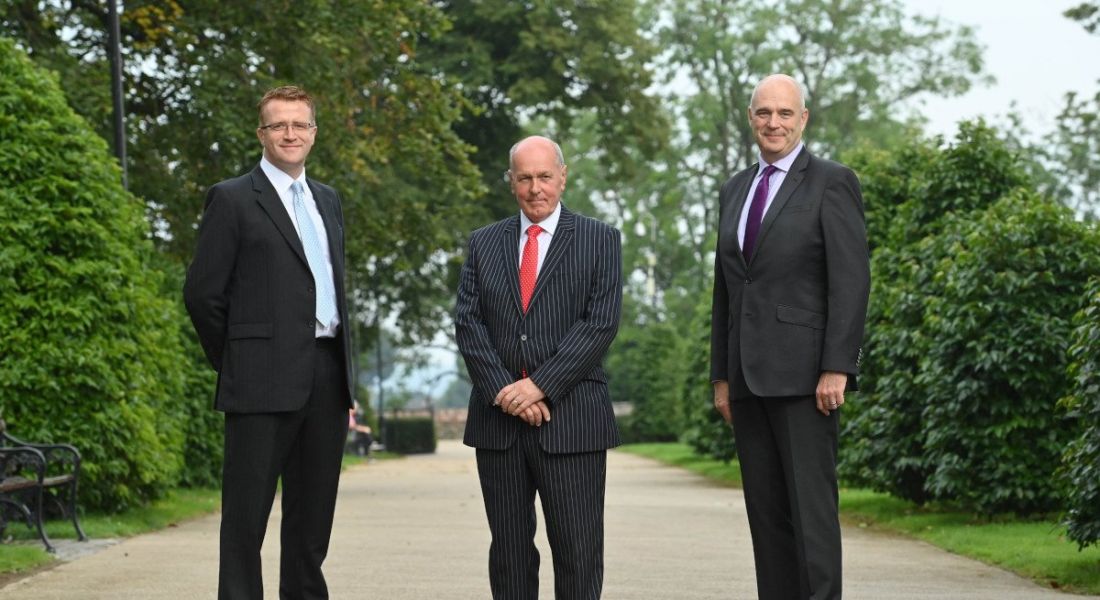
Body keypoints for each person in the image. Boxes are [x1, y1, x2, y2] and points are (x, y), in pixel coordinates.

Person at [184, 85, 355, 600]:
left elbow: (331, 287)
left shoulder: (328, 200)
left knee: (311, 522)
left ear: (314, 133)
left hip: (326, 376)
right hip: (258, 381)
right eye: (279, 125)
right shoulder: (233, 197)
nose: (290, 134)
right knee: (245, 523)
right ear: (261, 134)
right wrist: (238, 362)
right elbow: (202, 295)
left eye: (300, 124)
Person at [709, 74, 870, 600]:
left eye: (784, 113)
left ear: (803, 120)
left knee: (812, 517)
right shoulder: (735, 189)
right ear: (751, 118)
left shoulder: (831, 181)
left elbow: (850, 280)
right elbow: (726, 290)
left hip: (806, 380)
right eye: (763, 113)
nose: (773, 123)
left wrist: (837, 366)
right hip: (747, 380)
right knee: (767, 518)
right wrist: (721, 376)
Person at [456, 135, 623, 600]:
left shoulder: (600, 239)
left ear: (563, 176)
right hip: (498, 423)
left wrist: (540, 387)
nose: (536, 188)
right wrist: (507, 392)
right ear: (511, 182)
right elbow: (468, 325)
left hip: (573, 423)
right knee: (508, 554)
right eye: (524, 178)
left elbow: (600, 324)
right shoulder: (483, 243)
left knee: (577, 552)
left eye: (545, 176)